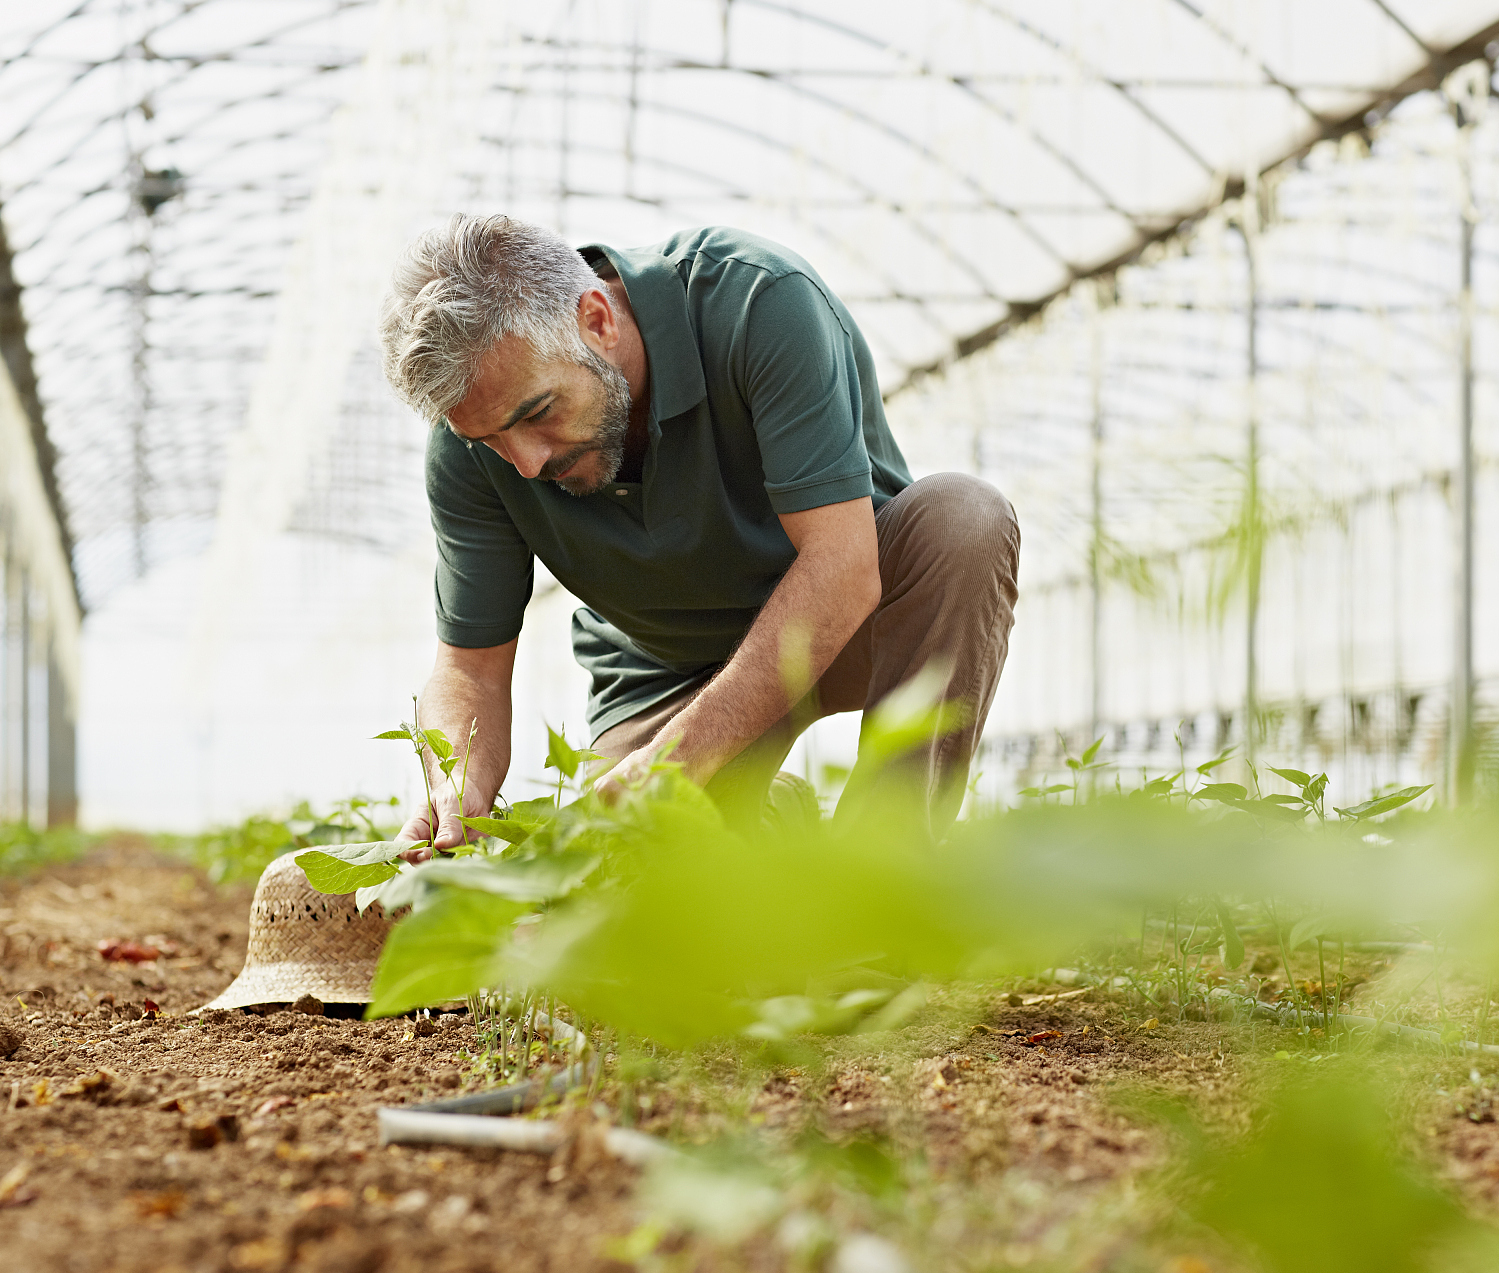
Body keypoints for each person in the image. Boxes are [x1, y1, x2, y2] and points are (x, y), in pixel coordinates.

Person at [376, 217, 1019, 853]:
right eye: (488, 442)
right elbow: (471, 669)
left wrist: (679, 758)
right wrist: (454, 787)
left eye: (538, 413)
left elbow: (843, 567)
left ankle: (883, 873)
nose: (525, 464)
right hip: (662, 677)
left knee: (963, 521)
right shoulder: (471, 446)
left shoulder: (758, 301)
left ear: (597, 319)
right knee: (651, 902)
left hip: (850, 618)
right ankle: (771, 820)